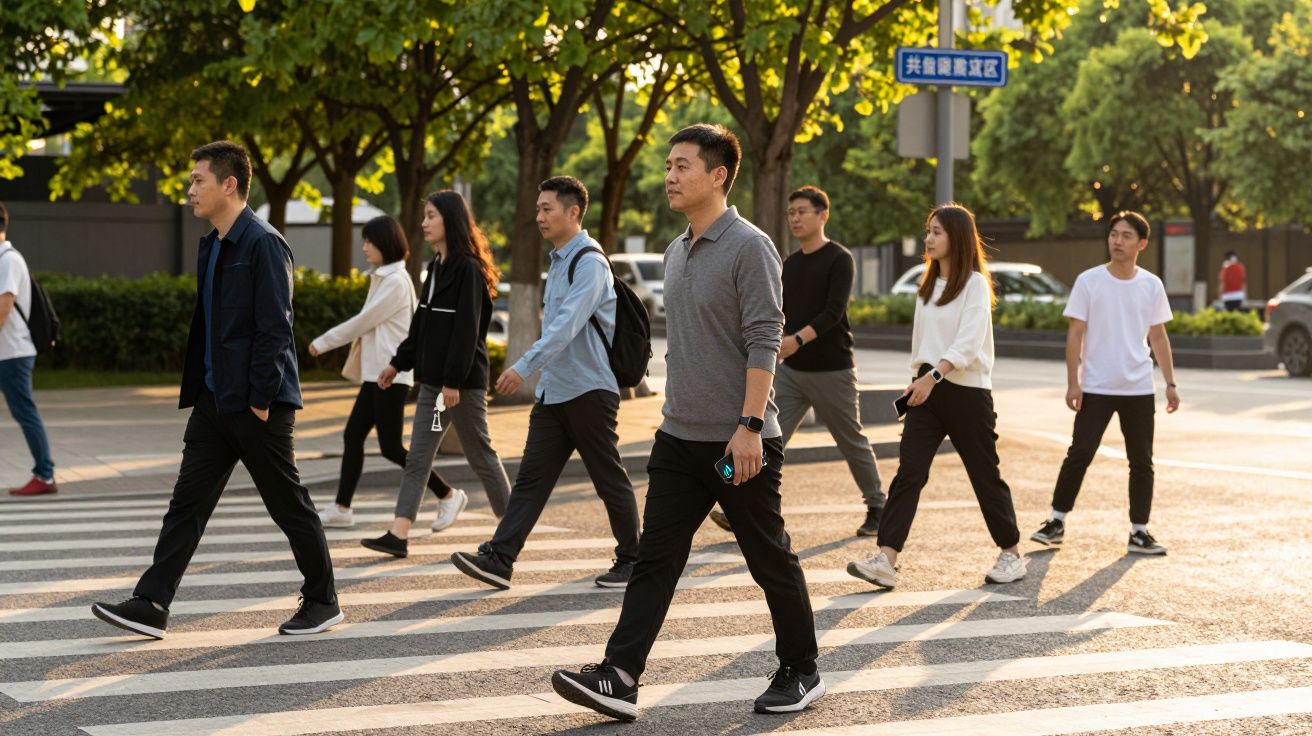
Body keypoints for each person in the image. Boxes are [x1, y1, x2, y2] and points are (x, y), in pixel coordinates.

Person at [551, 124, 824, 722]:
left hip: (737, 442)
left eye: (682, 166)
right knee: (655, 559)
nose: (670, 176)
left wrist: (751, 425)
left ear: (718, 175)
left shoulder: (750, 247)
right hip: (679, 439)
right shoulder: (677, 251)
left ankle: (802, 670)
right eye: (669, 165)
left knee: (766, 556)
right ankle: (621, 676)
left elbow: (763, 339)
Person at [91, 141, 341, 638]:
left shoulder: (264, 243)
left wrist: (260, 400)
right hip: (212, 401)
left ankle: (323, 600)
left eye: (198, 181)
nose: (190, 192)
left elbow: (276, 327)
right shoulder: (211, 243)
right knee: (187, 504)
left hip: (255, 404)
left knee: (286, 504)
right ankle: (152, 602)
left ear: (230, 184)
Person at [451, 176, 640, 590]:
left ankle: (633, 559)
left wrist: (522, 365)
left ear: (573, 212)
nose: (539, 216)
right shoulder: (558, 262)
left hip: (590, 390)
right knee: (532, 480)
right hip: (556, 391)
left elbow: (567, 325)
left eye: (547, 209)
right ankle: (501, 558)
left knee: (607, 477)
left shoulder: (589, 262)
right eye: (537, 209)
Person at [846, 203, 1025, 591]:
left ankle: (1011, 552)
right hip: (926, 390)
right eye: (927, 231)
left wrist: (933, 375)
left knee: (984, 474)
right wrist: (917, 379)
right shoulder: (926, 286)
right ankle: (886, 559)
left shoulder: (975, 284)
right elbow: (922, 343)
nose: (928, 238)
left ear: (957, 237)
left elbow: (969, 340)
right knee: (909, 473)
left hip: (966, 393)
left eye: (936, 232)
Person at [708, 185, 884, 537]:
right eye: (791, 212)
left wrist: (797, 340)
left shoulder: (839, 258)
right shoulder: (789, 263)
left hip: (832, 370)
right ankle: (733, 500)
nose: (795, 218)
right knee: (768, 435)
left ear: (823, 215)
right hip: (792, 372)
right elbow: (778, 311)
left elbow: (834, 312)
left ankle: (878, 506)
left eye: (802, 211)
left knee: (850, 439)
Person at [362, 190, 511, 558]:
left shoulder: (469, 271)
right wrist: (398, 362)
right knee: (418, 457)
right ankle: (399, 534)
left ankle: (511, 531)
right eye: (424, 216)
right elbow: (421, 326)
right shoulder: (436, 268)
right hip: (435, 389)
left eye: (431, 216)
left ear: (450, 220)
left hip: (460, 389)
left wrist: (453, 382)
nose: (424, 223)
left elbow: (466, 332)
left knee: (481, 457)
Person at [1031, 211, 1180, 555]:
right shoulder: (1090, 281)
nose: (1118, 241)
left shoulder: (1151, 285)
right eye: (1114, 234)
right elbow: (1075, 335)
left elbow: (1158, 336)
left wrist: (1170, 383)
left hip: (1139, 387)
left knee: (1141, 461)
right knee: (1080, 452)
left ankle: (1139, 531)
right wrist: (1073, 383)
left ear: (1142, 243)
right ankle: (1056, 521)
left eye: (1127, 236)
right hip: (1096, 385)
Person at [307, 215, 468, 531]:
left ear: (386, 243)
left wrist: (322, 342)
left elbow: (364, 321)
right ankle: (342, 507)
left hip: (390, 376)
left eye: (370, 241)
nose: (364, 246)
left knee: (391, 448)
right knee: (353, 436)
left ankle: (448, 494)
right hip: (377, 375)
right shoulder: (384, 277)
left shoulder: (395, 281)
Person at [0, 202, 56, 496]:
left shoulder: (7, 260)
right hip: (6, 352)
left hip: (13, 353)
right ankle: (44, 472)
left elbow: (3, 309)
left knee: (25, 412)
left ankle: (45, 474)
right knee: (24, 411)